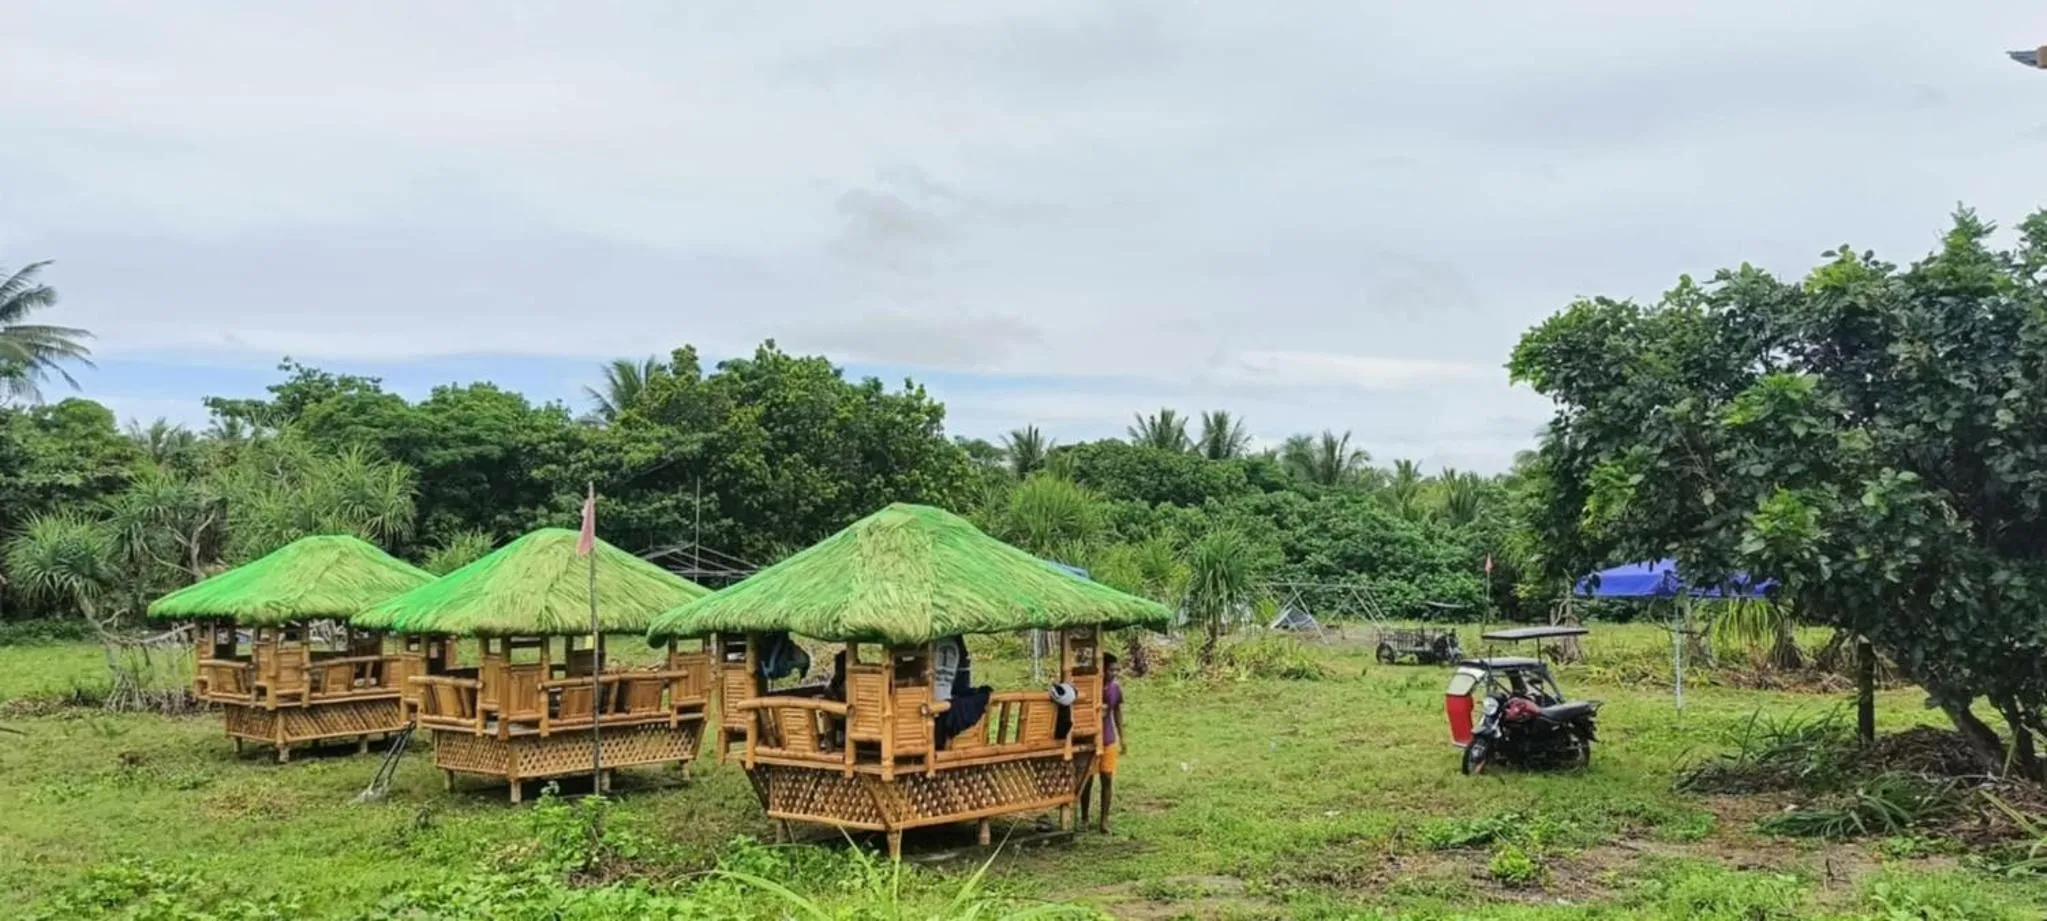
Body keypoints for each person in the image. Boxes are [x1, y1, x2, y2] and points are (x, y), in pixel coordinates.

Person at [1080, 653, 1124, 833]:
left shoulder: (1115, 689)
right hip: (1090, 739)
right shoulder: (1091, 688)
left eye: (1116, 670)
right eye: (1111, 669)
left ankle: (1104, 820)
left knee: (1107, 779)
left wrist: (1123, 737)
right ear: (1102, 669)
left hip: (1108, 739)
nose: (1114, 673)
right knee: (1087, 780)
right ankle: (1084, 817)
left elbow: (1117, 713)